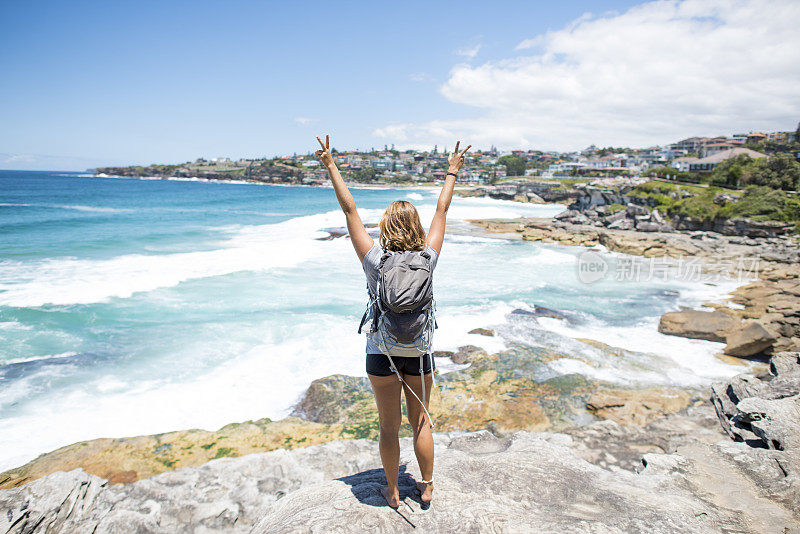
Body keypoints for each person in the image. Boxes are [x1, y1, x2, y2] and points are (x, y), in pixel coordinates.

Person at [315, 135, 470, 508]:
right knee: (421, 423)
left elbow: (350, 212)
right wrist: (452, 171)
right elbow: (442, 211)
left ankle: (393, 491)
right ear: (414, 226)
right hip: (418, 352)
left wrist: (331, 166)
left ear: (385, 226)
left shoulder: (374, 260)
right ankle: (427, 486)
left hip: (380, 352)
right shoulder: (427, 257)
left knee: (388, 426)